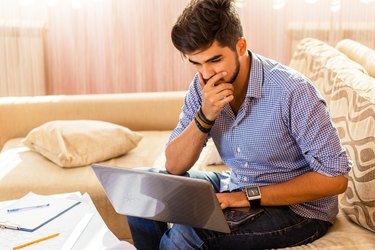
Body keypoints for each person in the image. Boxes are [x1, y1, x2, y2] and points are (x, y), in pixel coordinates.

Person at [127, 0, 352, 249]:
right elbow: (174, 165)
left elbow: (335, 179)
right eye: (196, 63)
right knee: (142, 190)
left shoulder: (292, 91)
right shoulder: (201, 87)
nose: (206, 73)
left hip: (299, 211)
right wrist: (205, 115)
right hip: (237, 182)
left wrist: (244, 198)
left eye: (215, 60)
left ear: (240, 46)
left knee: (188, 233)